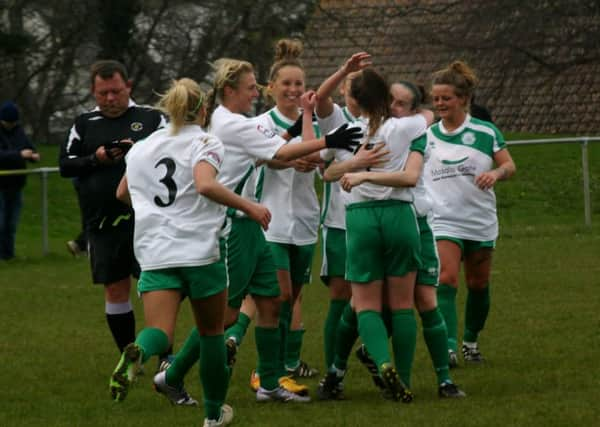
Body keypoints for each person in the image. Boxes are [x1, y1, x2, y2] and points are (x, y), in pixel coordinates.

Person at [155, 58, 362, 404]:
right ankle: (171, 376)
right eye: (251, 88)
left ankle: (268, 383)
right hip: (232, 227)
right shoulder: (231, 123)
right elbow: (279, 151)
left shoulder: (238, 122)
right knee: (225, 314)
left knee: (272, 300)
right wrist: (330, 137)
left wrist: (297, 140)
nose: (256, 93)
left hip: (252, 226)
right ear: (229, 91)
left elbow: (272, 155)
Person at [109, 78, 269, 426]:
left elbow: (123, 193)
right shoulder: (206, 141)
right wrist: (251, 207)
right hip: (200, 250)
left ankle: (137, 354)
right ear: (204, 110)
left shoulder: (142, 147)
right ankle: (213, 415)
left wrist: (156, 211)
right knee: (212, 332)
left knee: (160, 331)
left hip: (154, 251)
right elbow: (205, 184)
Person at [342, 80, 466, 398]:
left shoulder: (412, 133)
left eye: (401, 104)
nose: (394, 108)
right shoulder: (386, 129)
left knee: (424, 301)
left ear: (411, 110)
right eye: (391, 101)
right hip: (390, 219)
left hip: (417, 221)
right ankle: (354, 367)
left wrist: (360, 172)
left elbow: (410, 177)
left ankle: (443, 380)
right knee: (370, 303)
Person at [319, 68, 425, 402]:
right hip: (400, 216)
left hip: (361, 218)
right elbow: (428, 115)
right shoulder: (406, 126)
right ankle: (403, 380)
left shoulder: (345, 131)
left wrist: (354, 166)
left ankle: (382, 362)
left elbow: (326, 173)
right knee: (403, 305)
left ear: (353, 101)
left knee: (365, 306)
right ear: (386, 98)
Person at [58, 60, 166, 356]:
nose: (109, 99)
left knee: (157, 288)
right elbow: (65, 165)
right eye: (102, 93)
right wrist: (96, 159)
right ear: (93, 91)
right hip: (102, 224)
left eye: (116, 91)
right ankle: (130, 356)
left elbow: (175, 153)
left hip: (148, 220)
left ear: (128, 87)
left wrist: (139, 151)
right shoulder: (83, 124)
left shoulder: (151, 118)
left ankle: (164, 356)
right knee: (115, 289)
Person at [423, 61, 515, 367]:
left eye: (446, 98)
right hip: (442, 218)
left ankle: (470, 341)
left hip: (479, 219)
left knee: (478, 284)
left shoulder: (485, 131)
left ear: (463, 99)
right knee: (446, 279)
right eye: (436, 99)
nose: (439, 104)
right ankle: (448, 346)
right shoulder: (427, 135)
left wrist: (497, 174)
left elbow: (509, 165)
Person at [0, 101, 40, 260]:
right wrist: (19, 155)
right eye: (8, 122)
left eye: (13, 122)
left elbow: (29, 148)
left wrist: (34, 156)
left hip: (16, 185)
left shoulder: (19, 131)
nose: (11, 125)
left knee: (11, 224)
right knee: (1, 224)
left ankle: (8, 256)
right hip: (0, 186)